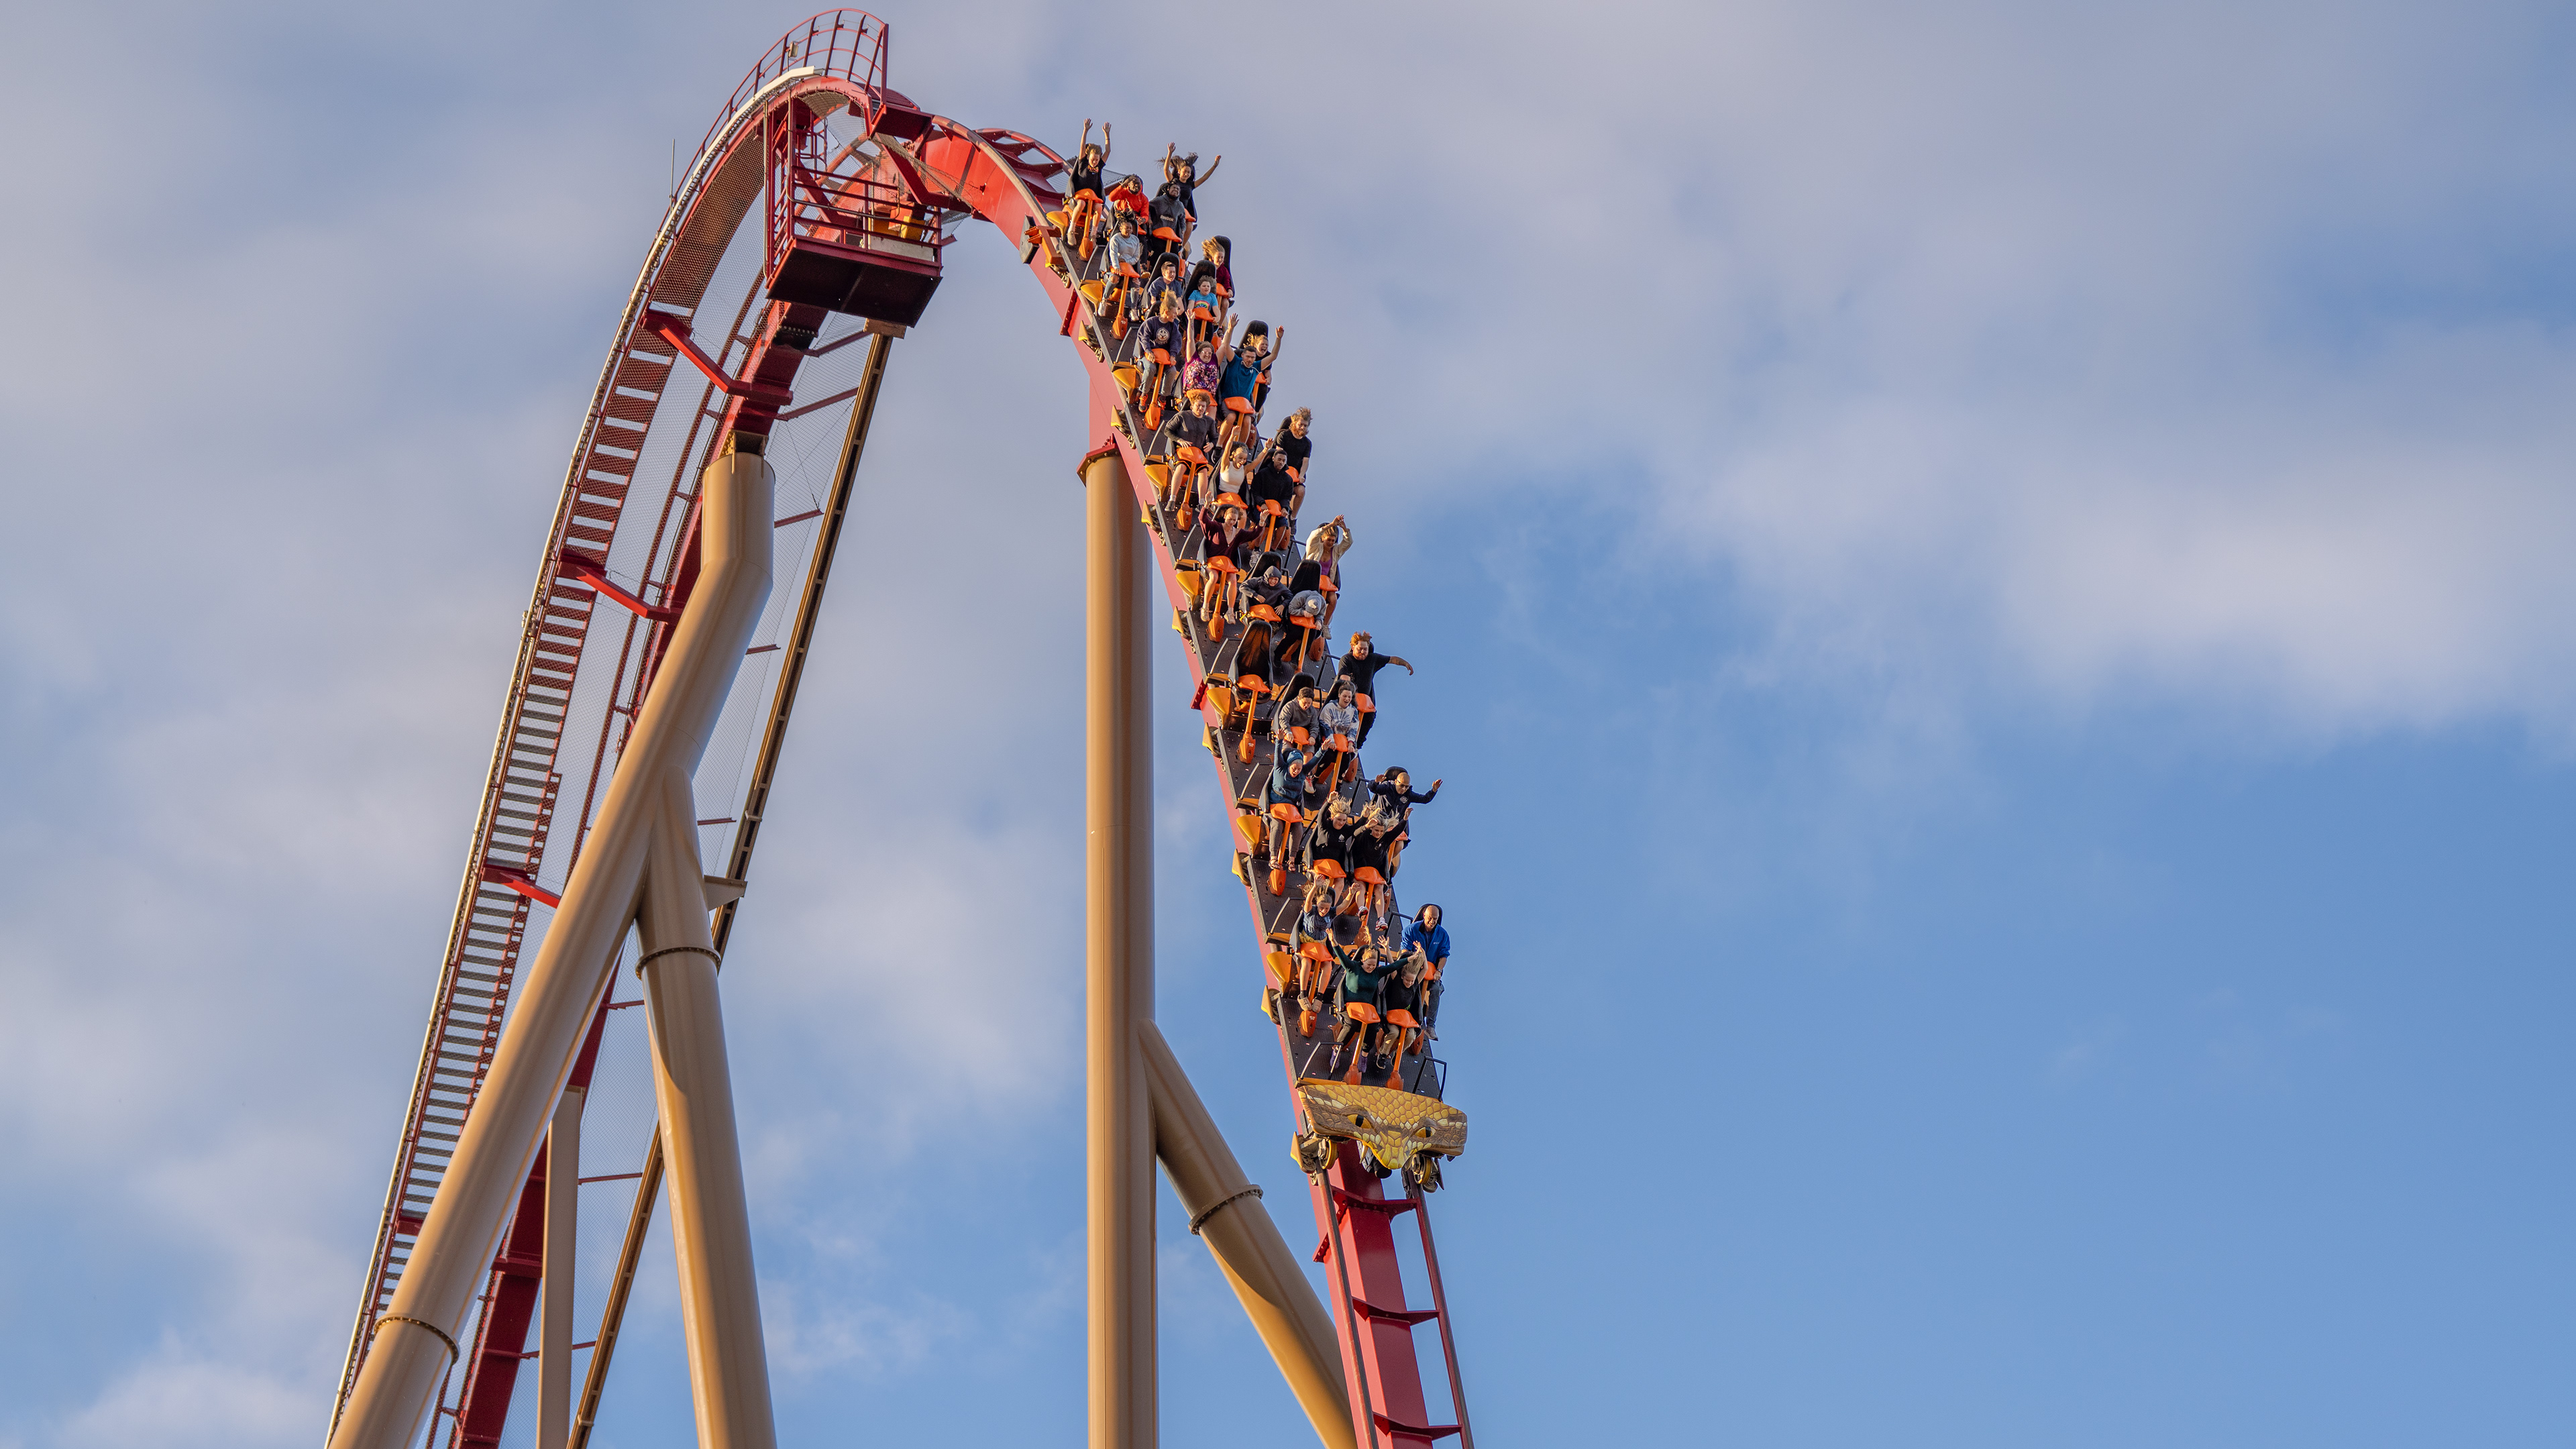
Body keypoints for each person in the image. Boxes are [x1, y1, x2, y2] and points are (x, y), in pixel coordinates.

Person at [1328, 936, 1391, 1077]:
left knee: (1373, 1027)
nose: (1371, 968)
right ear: (1363, 960)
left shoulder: (1376, 973)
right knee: (1352, 1024)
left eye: (1374, 965)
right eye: (1369, 965)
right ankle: (1337, 1050)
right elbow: (1342, 957)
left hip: (1367, 1010)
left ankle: (1364, 1055)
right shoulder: (1353, 968)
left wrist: (1410, 958)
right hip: (1348, 1007)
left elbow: (1394, 967)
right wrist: (1334, 941)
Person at [1334, 633, 1413, 745]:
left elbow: (1392, 660)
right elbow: (1344, 678)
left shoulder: (1373, 659)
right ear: (1353, 647)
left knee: (1369, 718)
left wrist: (1405, 664)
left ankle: (1357, 746)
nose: (1363, 652)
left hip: (1366, 702)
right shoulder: (1347, 659)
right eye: (1360, 649)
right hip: (1348, 698)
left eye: (1365, 649)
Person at [1402, 904, 1450, 1038]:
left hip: (1431, 972)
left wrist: (1439, 970)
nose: (1432, 922)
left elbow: (1444, 955)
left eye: (1435, 919)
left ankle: (1430, 1026)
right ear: (1424, 916)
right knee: (1409, 984)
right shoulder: (1411, 930)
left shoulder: (1443, 935)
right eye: (1430, 918)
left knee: (1437, 989)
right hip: (1414, 968)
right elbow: (1404, 950)